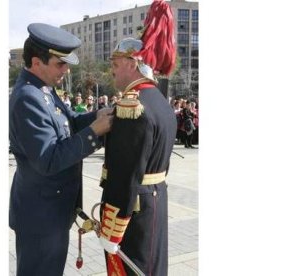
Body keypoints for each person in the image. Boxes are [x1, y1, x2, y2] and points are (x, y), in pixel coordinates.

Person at [9, 23, 113, 276]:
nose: (66, 71)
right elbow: (49, 159)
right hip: (41, 216)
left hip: (50, 210)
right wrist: (94, 132)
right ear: (36, 62)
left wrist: (96, 117)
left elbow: (68, 124)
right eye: (60, 64)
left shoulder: (43, 89)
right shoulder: (28, 97)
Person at [97, 1, 177, 275]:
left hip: (133, 210)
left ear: (133, 64)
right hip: (155, 201)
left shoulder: (133, 106)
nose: (113, 71)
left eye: (117, 64)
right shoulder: (160, 101)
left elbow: (124, 175)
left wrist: (112, 228)